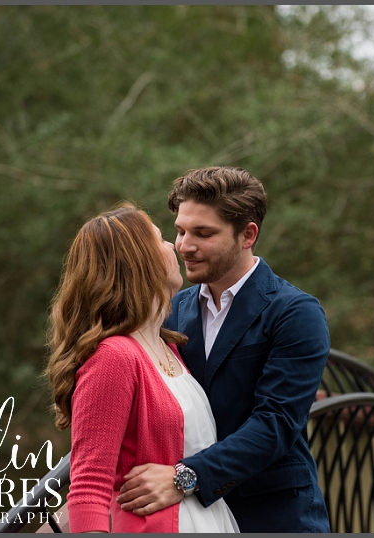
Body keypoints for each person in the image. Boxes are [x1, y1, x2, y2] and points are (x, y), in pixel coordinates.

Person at [115, 167, 331, 532]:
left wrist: (184, 477)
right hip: (187, 519)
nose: (184, 245)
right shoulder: (173, 309)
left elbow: (275, 423)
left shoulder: (295, 312)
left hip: (273, 515)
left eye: (203, 233)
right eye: (181, 230)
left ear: (247, 235)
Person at [45, 203, 239, 533]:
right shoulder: (113, 357)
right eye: (161, 238)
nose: (174, 247)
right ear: (138, 261)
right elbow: (89, 485)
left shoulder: (169, 346)